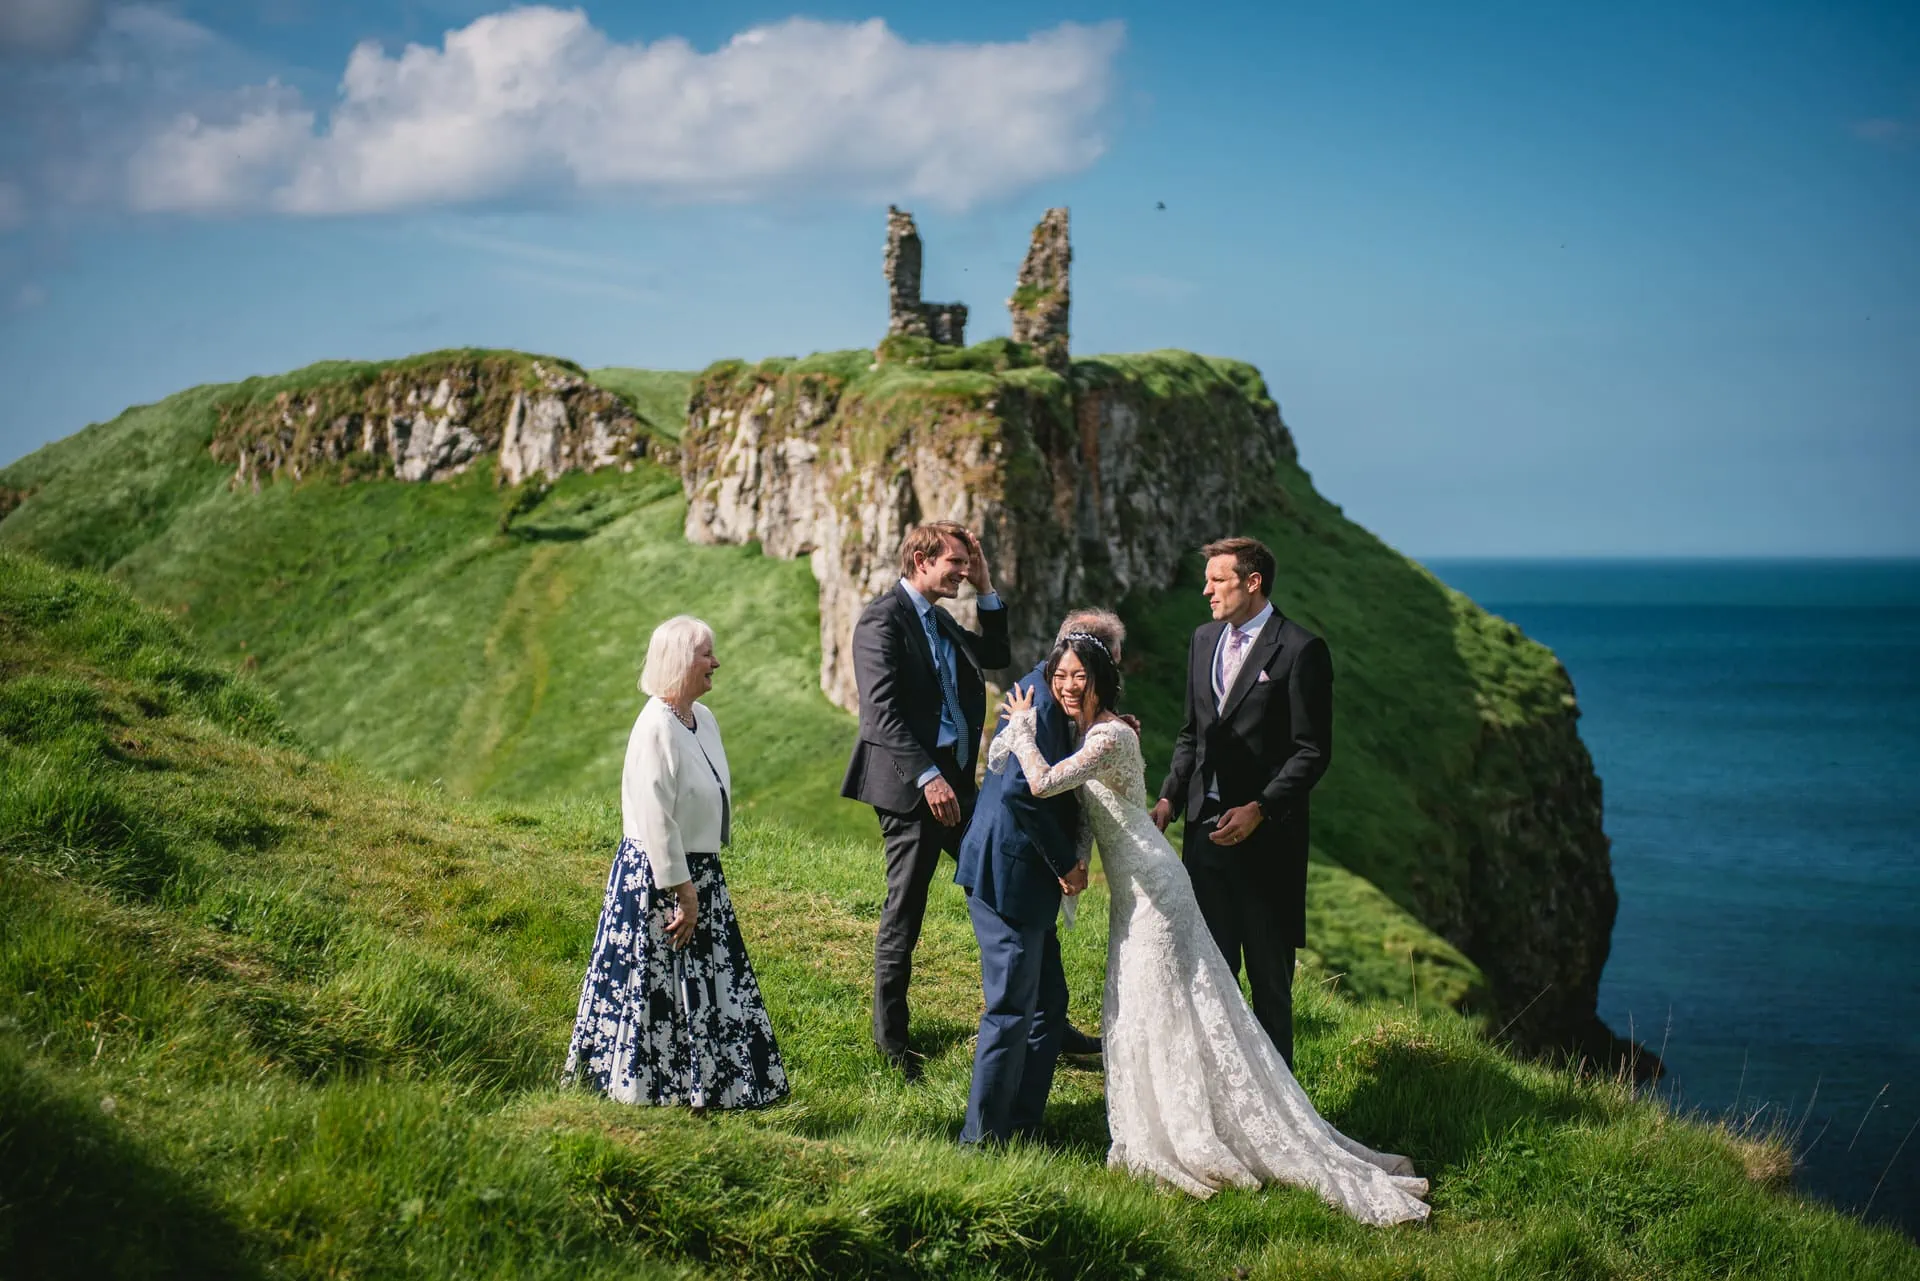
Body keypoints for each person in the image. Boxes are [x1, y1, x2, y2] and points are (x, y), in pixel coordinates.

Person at [992, 635, 1426, 1222]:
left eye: (1078, 677)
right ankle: (1170, 1119)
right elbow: (1089, 808)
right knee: (1146, 1004)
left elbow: (1044, 784)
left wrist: (1019, 726)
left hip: (1156, 890)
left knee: (1163, 1003)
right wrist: (1076, 864)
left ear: (1099, 680)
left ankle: (1190, 1132)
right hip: (1133, 891)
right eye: (1059, 676)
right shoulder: (1091, 734)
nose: (1067, 687)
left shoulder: (1111, 736)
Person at [563, 615, 788, 1110]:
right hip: (659, 878)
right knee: (653, 983)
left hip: (700, 869)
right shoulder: (654, 727)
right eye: (706, 654)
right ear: (679, 662)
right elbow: (655, 818)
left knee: (706, 980)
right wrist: (683, 890)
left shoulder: (700, 718)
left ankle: (711, 1086)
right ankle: (646, 1090)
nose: (716, 662)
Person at [1150, 536, 1331, 1067]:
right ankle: (1223, 1103)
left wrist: (1260, 808)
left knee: (1270, 988)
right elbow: (1192, 736)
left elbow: (1312, 753)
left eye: (1217, 580)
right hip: (1203, 838)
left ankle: (1284, 1118)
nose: (1205, 590)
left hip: (1268, 845)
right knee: (1209, 975)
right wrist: (1167, 800)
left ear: (1252, 583)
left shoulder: (1301, 650)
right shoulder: (1203, 640)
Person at [842, 522, 1012, 1078]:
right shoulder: (880, 620)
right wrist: (927, 779)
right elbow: (880, 714)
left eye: (967, 564)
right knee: (905, 915)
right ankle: (892, 1048)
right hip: (914, 792)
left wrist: (986, 586)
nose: (963, 571)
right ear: (920, 559)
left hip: (961, 786)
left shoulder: (938, 617)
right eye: (957, 563)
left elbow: (997, 652)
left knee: (1005, 889)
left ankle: (1037, 1020)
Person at [953, 608, 1124, 1145]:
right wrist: (1066, 863)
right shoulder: (1038, 706)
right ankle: (980, 1141)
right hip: (1011, 875)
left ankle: (1024, 1125)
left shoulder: (1050, 695)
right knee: (1010, 1011)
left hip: (1022, 874)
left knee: (1048, 1005)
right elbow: (1020, 794)